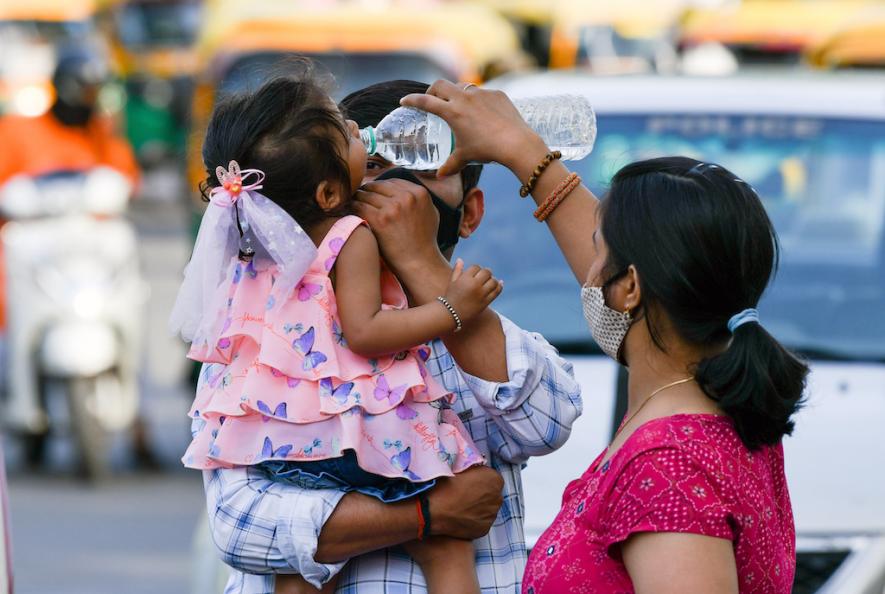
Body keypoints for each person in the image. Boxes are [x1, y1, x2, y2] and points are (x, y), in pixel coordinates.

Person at [402, 81, 806, 593]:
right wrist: (520, 148)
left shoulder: (670, 466)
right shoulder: (722, 408)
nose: (586, 271)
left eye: (598, 251)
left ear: (630, 287)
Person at [200, 79, 583, 594]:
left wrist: (421, 261)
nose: (396, 193)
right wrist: (423, 516)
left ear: (468, 212)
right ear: (330, 189)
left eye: (425, 172)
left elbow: (547, 423)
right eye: (374, 168)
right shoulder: (265, 334)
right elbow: (240, 524)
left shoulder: (468, 324)